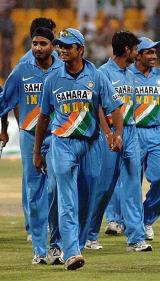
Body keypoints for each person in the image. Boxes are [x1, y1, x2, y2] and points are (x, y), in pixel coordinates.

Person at [34, 28, 123, 270]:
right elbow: (43, 117)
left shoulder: (97, 76)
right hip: (62, 143)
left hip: (91, 144)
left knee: (87, 198)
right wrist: (37, 152)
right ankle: (71, 251)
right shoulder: (52, 79)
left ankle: (77, 244)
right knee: (67, 199)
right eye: (59, 45)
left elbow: (113, 108)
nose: (61, 49)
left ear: (80, 49)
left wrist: (116, 135)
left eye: (67, 46)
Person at [0, 27, 63, 264]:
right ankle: (39, 250)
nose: (37, 48)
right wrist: (3, 129)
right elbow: (4, 101)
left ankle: (56, 245)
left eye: (42, 43)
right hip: (28, 136)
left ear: (52, 46)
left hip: (58, 137)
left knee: (56, 190)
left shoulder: (62, 69)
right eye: (34, 43)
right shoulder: (21, 70)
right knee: (34, 193)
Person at [86, 31, 152, 252]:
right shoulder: (101, 74)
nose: (137, 53)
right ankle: (89, 234)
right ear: (127, 50)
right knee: (104, 188)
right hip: (109, 135)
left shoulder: (131, 74)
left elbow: (129, 108)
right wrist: (108, 134)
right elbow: (97, 108)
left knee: (133, 185)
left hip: (130, 132)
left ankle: (135, 239)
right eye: (135, 49)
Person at [130, 37, 160, 240]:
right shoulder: (127, 76)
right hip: (133, 132)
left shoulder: (159, 76)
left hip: (156, 132)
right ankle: (133, 225)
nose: (154, 56)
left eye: (155, 52)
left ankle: (147, 219)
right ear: (138, 55)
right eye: (149, 52)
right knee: (131, 184)